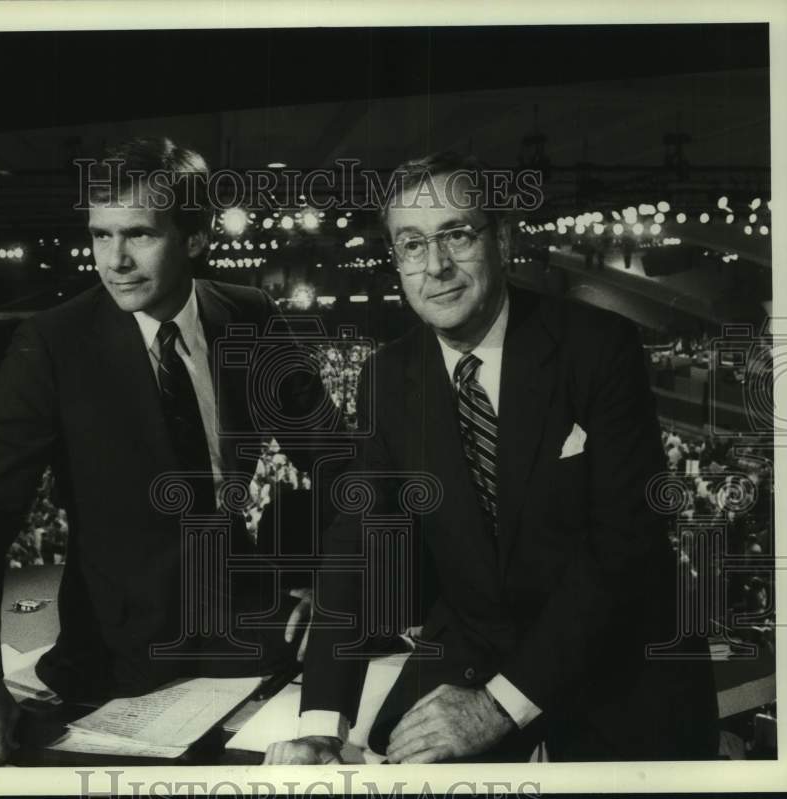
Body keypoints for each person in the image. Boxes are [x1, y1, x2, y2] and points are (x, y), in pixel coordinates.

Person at [265, 151, 717, 764]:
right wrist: (321, 721)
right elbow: (359, 542)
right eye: (413, 245)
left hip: (621, 663)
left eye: (456, 234)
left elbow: (622, 546)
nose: (438, 266)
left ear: (501, 237)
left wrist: (499, 705)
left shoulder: (598, 347)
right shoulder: (387, 378)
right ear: (397, 261)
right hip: (473, 654)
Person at [0, 136, 342, 766]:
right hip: (116, 658)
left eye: (139, 235)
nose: (114, 260)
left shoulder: (250, 315)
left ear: (197, 237)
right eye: (101, 235)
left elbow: (340, 464)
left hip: (251, 632)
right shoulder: (51, 345)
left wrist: (328, 581)